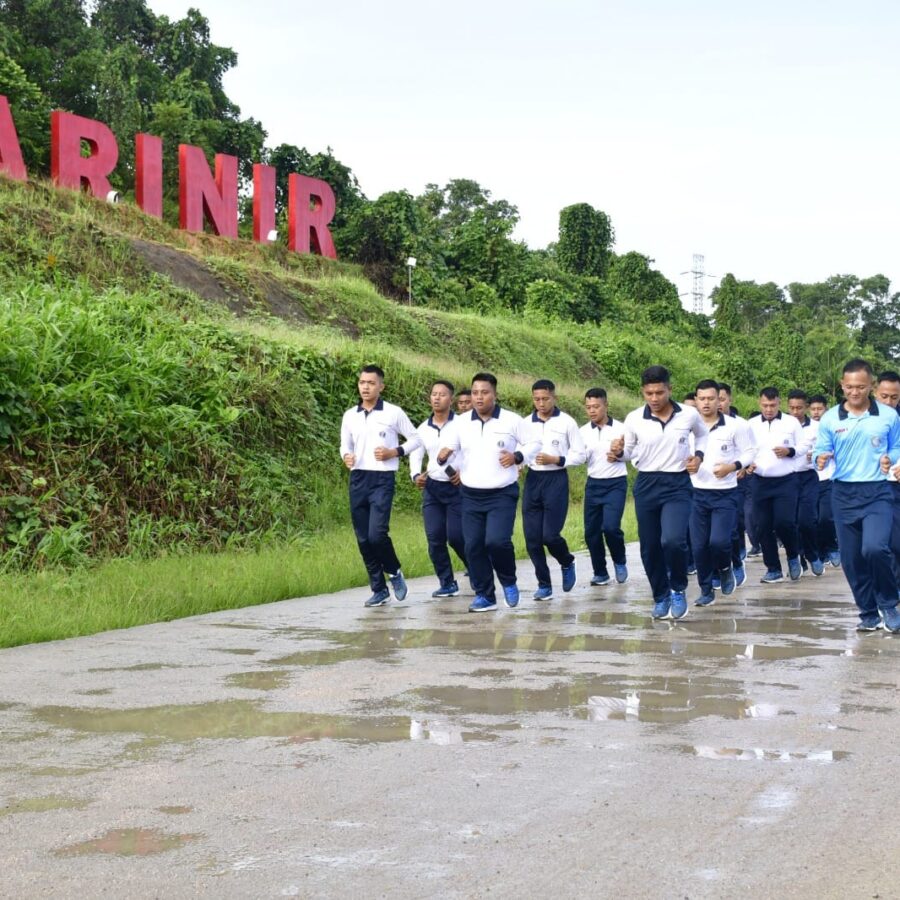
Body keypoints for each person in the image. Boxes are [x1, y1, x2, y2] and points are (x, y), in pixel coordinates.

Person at [611, 365, 707, 620]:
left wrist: (698, 456)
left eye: (659, 393)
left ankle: (678, 588)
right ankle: (660, 595)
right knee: (650, 546)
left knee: (673, 540)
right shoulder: (634, 419)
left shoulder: (688, 414)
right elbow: (629, 452)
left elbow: (703, 435)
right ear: (643, 392)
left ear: (669, 389)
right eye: (649, 393)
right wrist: (619, 451)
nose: (654, 399)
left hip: (677, 484)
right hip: (646, 484)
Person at [437, 373, 539, 612]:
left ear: (495, 394)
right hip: (470, 494)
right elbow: (449, 448)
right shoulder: (460, 423)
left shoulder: (512, 421)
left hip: (502, 493)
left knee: (497, 541)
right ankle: (485, 594)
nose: (479, 397)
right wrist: (445, 455)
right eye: (475, 392)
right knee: (472, 545)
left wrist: (517, 456)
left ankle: (508, 580)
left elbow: (534, 442)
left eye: (484, 392)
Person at [815, 359, 900, 632]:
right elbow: (821, 450)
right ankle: (868, 612)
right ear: (842, 385)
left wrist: (892, 460)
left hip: (877, 491)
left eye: (861, 387)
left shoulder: (888, 416)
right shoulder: (830, 418)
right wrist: (821, 458)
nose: (855, 392)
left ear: (870, 387)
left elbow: (897, 447)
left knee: (875, 548)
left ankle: (888, 603)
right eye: (849, 387)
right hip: (843, 493)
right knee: (852, 559)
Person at [340, 365, 423, 607]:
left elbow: (416, 439)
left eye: (371, 383)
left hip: (382, 478)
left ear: (381, 387)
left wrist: (393, 452)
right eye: (362, 382)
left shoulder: (393, 413)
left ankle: (394, 572)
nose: (365, 387)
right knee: (363, 538)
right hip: (358, 478)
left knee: (377, 534)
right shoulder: (350, 415)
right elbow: (344, 444)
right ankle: (378, 589)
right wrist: (346, 456)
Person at [689, 380, 756, 606]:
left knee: (718, 542)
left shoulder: (735, 426)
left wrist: (733, 466)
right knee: (699, 546)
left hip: (725, 494)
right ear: (696, 400)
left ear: (720, 400)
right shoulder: (689, 427)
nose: (706, 403)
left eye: (711, 398)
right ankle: (706, 589)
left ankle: (726, 568)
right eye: (702, 398)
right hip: (696, 494)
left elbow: (749, 452)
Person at [520, 379, 586, 601]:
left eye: (545, 399)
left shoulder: (567, 422)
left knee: (549, 535)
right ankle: (544, 584)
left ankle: (567, 561)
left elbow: (581, 454)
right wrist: (519, 464)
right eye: (537, 399)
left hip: (556, 480)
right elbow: (518, 450)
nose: (541, 403)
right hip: (533, 480)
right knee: (532, 538)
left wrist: (557, 459)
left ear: (554, 398)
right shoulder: (524, 423)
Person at [408, 380, 468, 599]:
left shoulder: (463, 424)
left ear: (450, 399)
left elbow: (473, 451)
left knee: (457, 537)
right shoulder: (423, 428)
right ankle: (447, 583)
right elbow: (416, 453)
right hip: (432, 488)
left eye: (442, 395)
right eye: (434, 394)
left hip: (458, 487)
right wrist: (415, 475)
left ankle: (478, 569)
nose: (437, 398)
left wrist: (465, 473)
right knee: (434, 538)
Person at [747, 387, 803, 583]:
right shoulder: (751, 424)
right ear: (759, 403)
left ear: (779, 403)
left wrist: (790, 450)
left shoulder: (791, 422)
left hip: (786, 481)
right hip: (760, 481)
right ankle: (773, 568)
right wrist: (748, 463)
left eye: (772, 405)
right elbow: (745, 449)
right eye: (765, 405)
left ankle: (793, 555)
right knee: (762, 526)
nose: (769, 409)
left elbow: (805, 446)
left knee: (784, 522)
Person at [580, 388, 629, 587]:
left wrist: (619, 454)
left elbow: (633, 456)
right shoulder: (582, 432)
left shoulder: (622, 428)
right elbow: (579, 457)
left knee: (610, 527)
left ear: (606, 405)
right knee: (591, 532)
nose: (592, 411)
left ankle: (620, 560)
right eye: (588, 407)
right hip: (593, 484)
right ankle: (600, 572)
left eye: (596, 406)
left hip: (616, 482)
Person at [787, 389, 825, 576]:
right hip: (787, 479)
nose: (795, 412)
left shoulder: (816, 427)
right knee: (789, 522)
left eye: (799, 408)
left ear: (806, 408)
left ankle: (813, 554)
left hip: (809, 477)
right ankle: (797, 558)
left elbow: (826, 447)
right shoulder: (782, 425)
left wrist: (816, 454)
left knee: (806, 521)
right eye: (792, 408)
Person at [808, 394, 840, 567]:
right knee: (814, 519)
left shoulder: (832, 426)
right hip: (811, 480)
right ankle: (821, 552)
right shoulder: (803, 428)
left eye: (819, 409)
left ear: (826, 409)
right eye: (813, 409)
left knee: (826, 518)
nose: (816, 412)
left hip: (830, 477)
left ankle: (833, 547)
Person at [874, 371, 900, 578]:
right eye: (884, 396)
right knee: (880, 543)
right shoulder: (860, 417)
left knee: (896, 542)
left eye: (894, 397)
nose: (889, 401)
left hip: (896, 487)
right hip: (871, 487)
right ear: (875, 391)